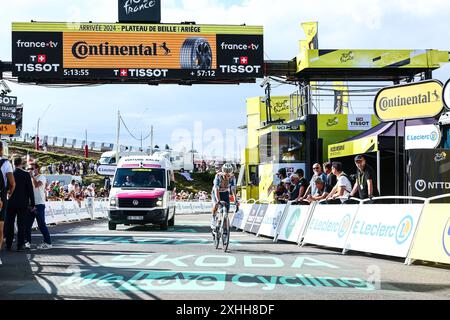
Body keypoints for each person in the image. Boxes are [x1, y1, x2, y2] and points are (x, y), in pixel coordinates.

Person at [5, 157, 35, 251]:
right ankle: (20, 245)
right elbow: (30, 190)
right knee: (21, 224)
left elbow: (6, 187)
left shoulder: (10, 174)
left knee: (9, 224)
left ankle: (8, 245)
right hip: (22, 203)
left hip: (10, 202)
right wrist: (33, 203)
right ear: (21, 163)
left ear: (13, 163)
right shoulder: (26, 175)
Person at [26, 162, 52, 250]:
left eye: (32, 169)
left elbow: (37, 185)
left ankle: (48, 242)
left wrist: (32, 177)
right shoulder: (30, 178)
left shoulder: (41, 177)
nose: (31, 170)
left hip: (39, 204)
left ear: (37, 169)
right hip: (31, 204)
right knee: (27, 225)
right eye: (29, 169)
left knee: (41, 224)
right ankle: (27, 242)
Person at [211, 163, 237, 230]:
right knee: (216, 204)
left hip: (225, 193)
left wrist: (235, 200)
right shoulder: (218, 176)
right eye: (226, 172)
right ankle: (214, 218)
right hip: (216, 193)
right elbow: (216, 188)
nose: (227, 174)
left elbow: (233, 189)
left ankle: (224, 230)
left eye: (229, 172)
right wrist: (218, 200)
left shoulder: (232, 177)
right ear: (223, 171)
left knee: (226, 212)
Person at [0, 142, 16, 251]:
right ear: (1, 150)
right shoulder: (6, 163)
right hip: (1, 197)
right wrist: (9, 193)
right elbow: (12, 183)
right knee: (0, 229)